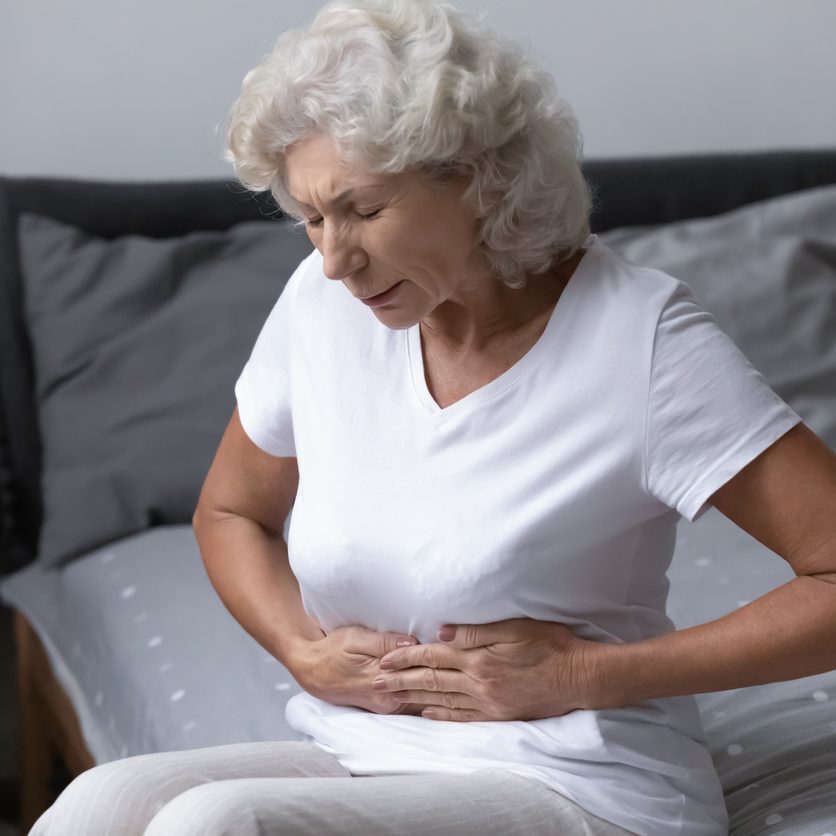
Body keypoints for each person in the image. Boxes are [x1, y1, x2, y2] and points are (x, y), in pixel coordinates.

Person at [32, 0, 836, 834]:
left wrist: (585, 674)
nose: (335, 259)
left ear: (481, 180)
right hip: (373, 747)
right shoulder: (321, 304)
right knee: (105, 803)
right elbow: (230, 511)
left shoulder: (642, 340)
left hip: (580, 781)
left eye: (365, 210)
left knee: (220, 825)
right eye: (311, 218)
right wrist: (302, 654)